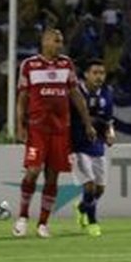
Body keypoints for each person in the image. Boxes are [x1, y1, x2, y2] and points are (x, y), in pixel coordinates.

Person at [13, 28, 96, 239]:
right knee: (33, 170)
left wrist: (88, 123)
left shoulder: (66, 64)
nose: (60, 44)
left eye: (61, 41)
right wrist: (20, 125)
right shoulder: (29, 65)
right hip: (37, 128)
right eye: (56, 40)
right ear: (45, 42)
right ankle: (22, 217)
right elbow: (22, 98)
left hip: (60, 130)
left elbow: (76, 94)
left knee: (53, 176)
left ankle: (43, 223)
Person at [71, 59, 114, 237]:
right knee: (89, 186)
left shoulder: (107, 93)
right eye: (95, 73)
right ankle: (92, 222)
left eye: (102, 73)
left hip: (97, 146)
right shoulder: (75, 91)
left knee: (100, 189)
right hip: (78, 145)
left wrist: (110, 132)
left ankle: (81, 207)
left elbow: (109, 120)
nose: (99, 77)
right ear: (86, 74)